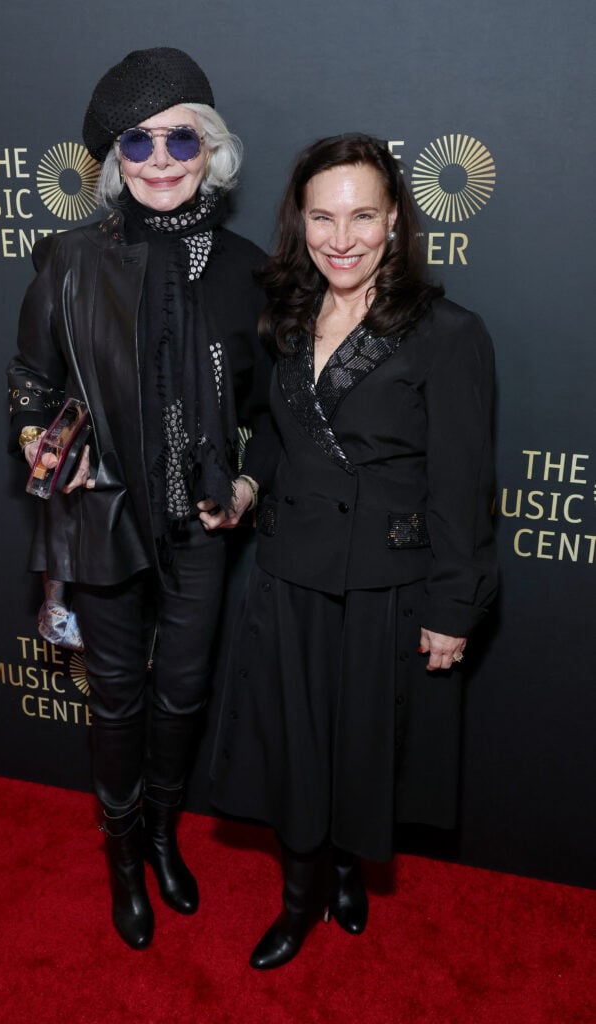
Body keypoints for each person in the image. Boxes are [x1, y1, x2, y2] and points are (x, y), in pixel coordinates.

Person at [204, 134, 498, 969]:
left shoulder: (447, 334)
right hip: (290, 572)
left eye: (362, 215)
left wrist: (453, 608)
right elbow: (271, 434)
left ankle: (344, 871)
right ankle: (298, 900)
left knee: (361, 749)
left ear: (393, 218)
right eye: (322, 216)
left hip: (387, 584)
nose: (342, 237)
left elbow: (462, 486)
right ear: (299, 221)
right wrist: (249, 488)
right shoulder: (285, 319)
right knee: (294, 745)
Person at [7, 48, 269, 950]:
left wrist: (242, 481)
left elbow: (272, 410)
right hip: (105, 513)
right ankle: (121, 852)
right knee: (116, 697)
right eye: (138, 141)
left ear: (212, 151)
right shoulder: (71, 258)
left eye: (180, 137)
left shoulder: (248, 270)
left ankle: (162, 832)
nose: (160, 159)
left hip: (201, 521)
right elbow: (30, 383)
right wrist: (35, 442)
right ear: (115, 159)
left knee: (183, 692)